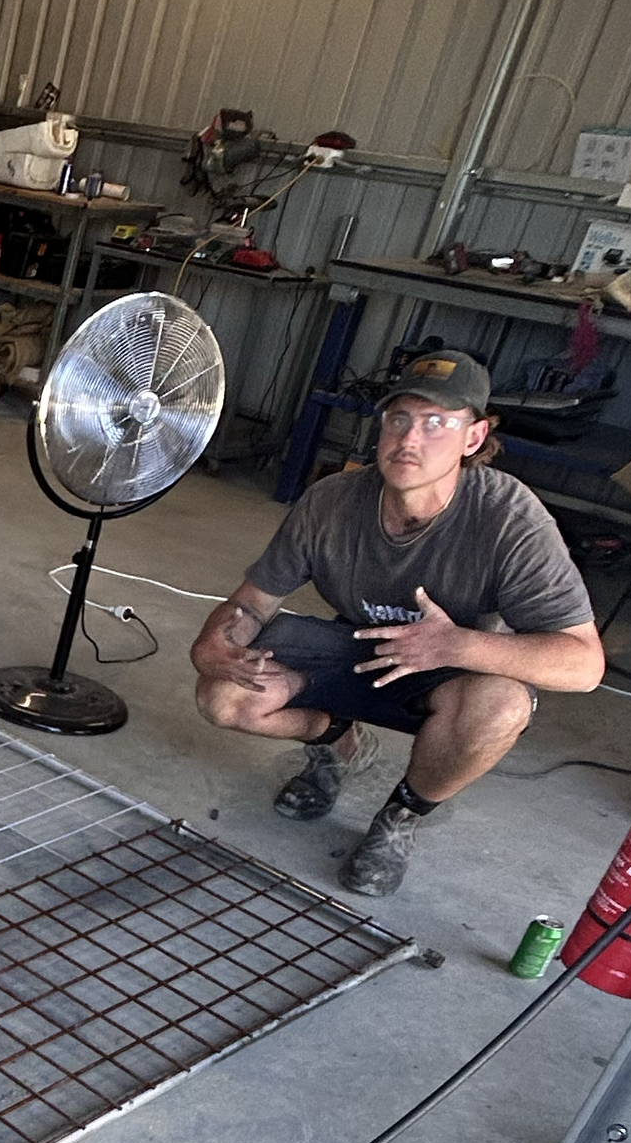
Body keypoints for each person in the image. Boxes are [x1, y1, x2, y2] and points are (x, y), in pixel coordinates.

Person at [188, 349, 606, 897]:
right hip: (358, 645)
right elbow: (255, 601)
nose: (411, 439)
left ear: (474, 438)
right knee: (223, 696)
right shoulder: (331, 500)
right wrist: (215, 644)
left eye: (437, 423)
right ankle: (341, 746)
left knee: (501, 706)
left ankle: (402, 816)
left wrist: (453, 644)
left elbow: (584, 664)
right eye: (399, 419)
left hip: (452, 669)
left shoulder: (510, 517)